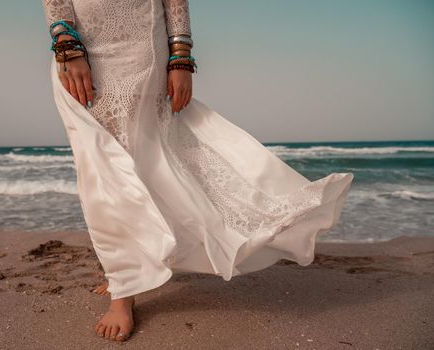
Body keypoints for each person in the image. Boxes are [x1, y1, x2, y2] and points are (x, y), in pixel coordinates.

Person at [42, 0, 354, 343]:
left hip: (139, 51)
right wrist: (67, 45)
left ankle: (125, 284)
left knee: (144, 165)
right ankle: (128, 272)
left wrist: (180, 56)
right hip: (80, 49)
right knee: (100, 171)